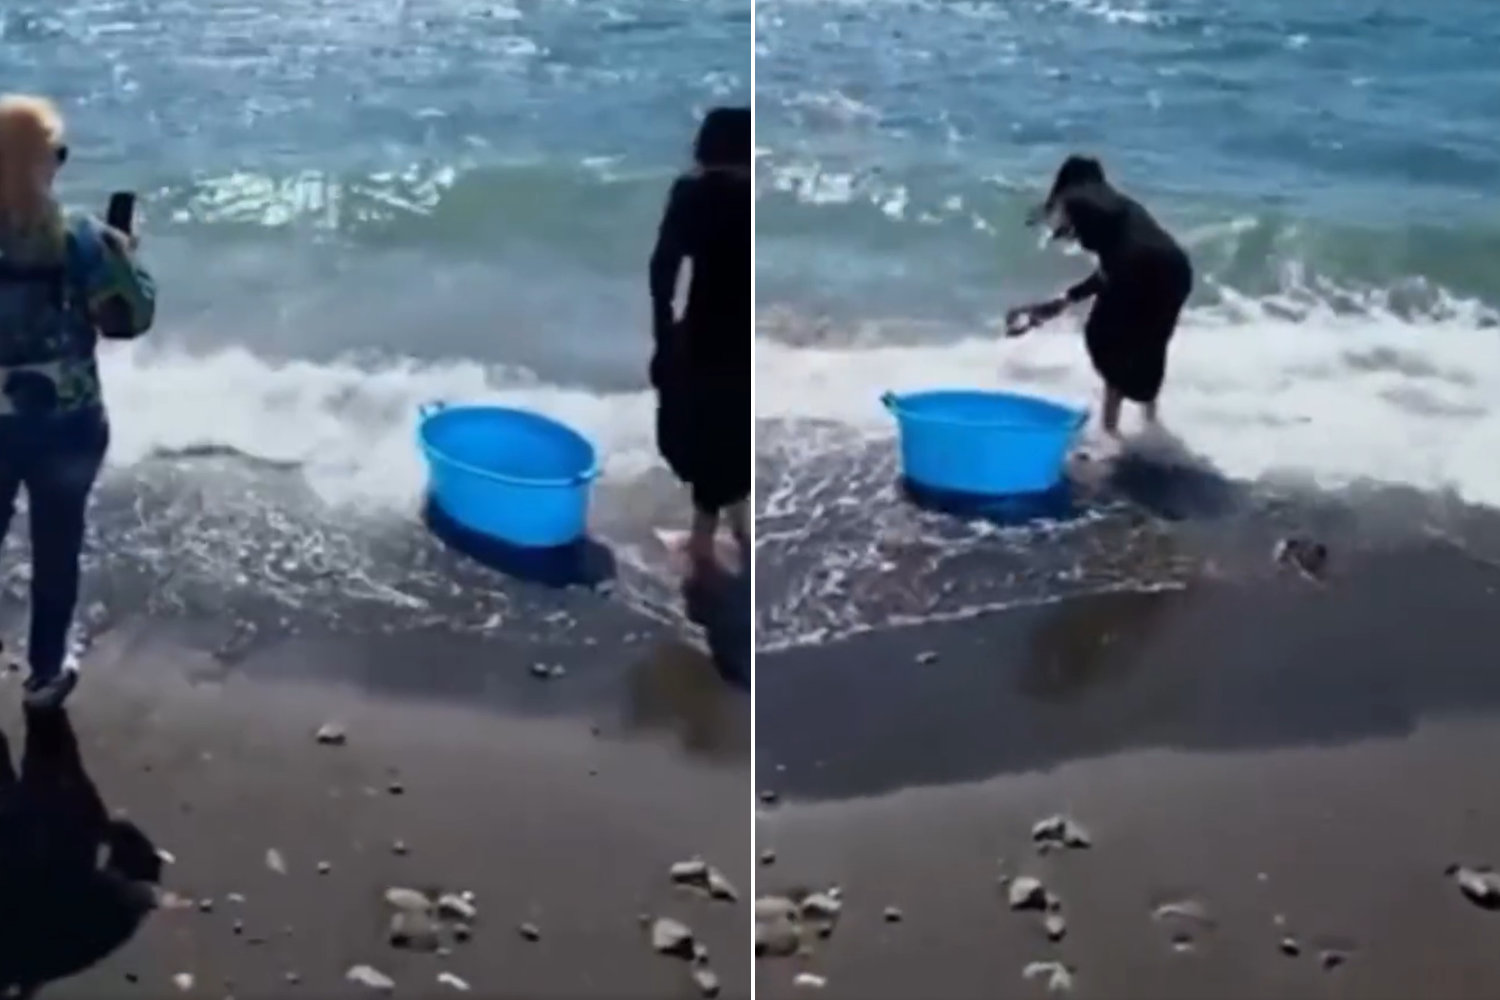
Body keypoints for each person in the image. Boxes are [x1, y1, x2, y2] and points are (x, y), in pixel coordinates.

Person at [0, 95, 156, 710]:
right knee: (57, 547)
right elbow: (128, 321)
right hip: (67, 423)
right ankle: (43, 675)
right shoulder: (84, 239)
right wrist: (127, 257)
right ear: (47, 165)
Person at [1005, 155, 1192, 437]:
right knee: (1150, 344)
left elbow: (1120, 266)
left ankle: (1109, 433)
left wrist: (1061, 302)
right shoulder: (1126, 207)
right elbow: (1118, 266)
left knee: (1104, 339)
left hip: (1138, 268)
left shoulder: (1078, 198)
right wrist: (1064, 301)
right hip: (1177, 269)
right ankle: (1151, 426)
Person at [649, 107, 751, 578]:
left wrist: (663, 331)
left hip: (706, 328)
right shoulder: (752, 195)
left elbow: (663, 268)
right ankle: (739, 523)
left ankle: (702, 547)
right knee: (733, 424)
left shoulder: (692, 193)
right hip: (743, 330)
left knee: (695, 429)